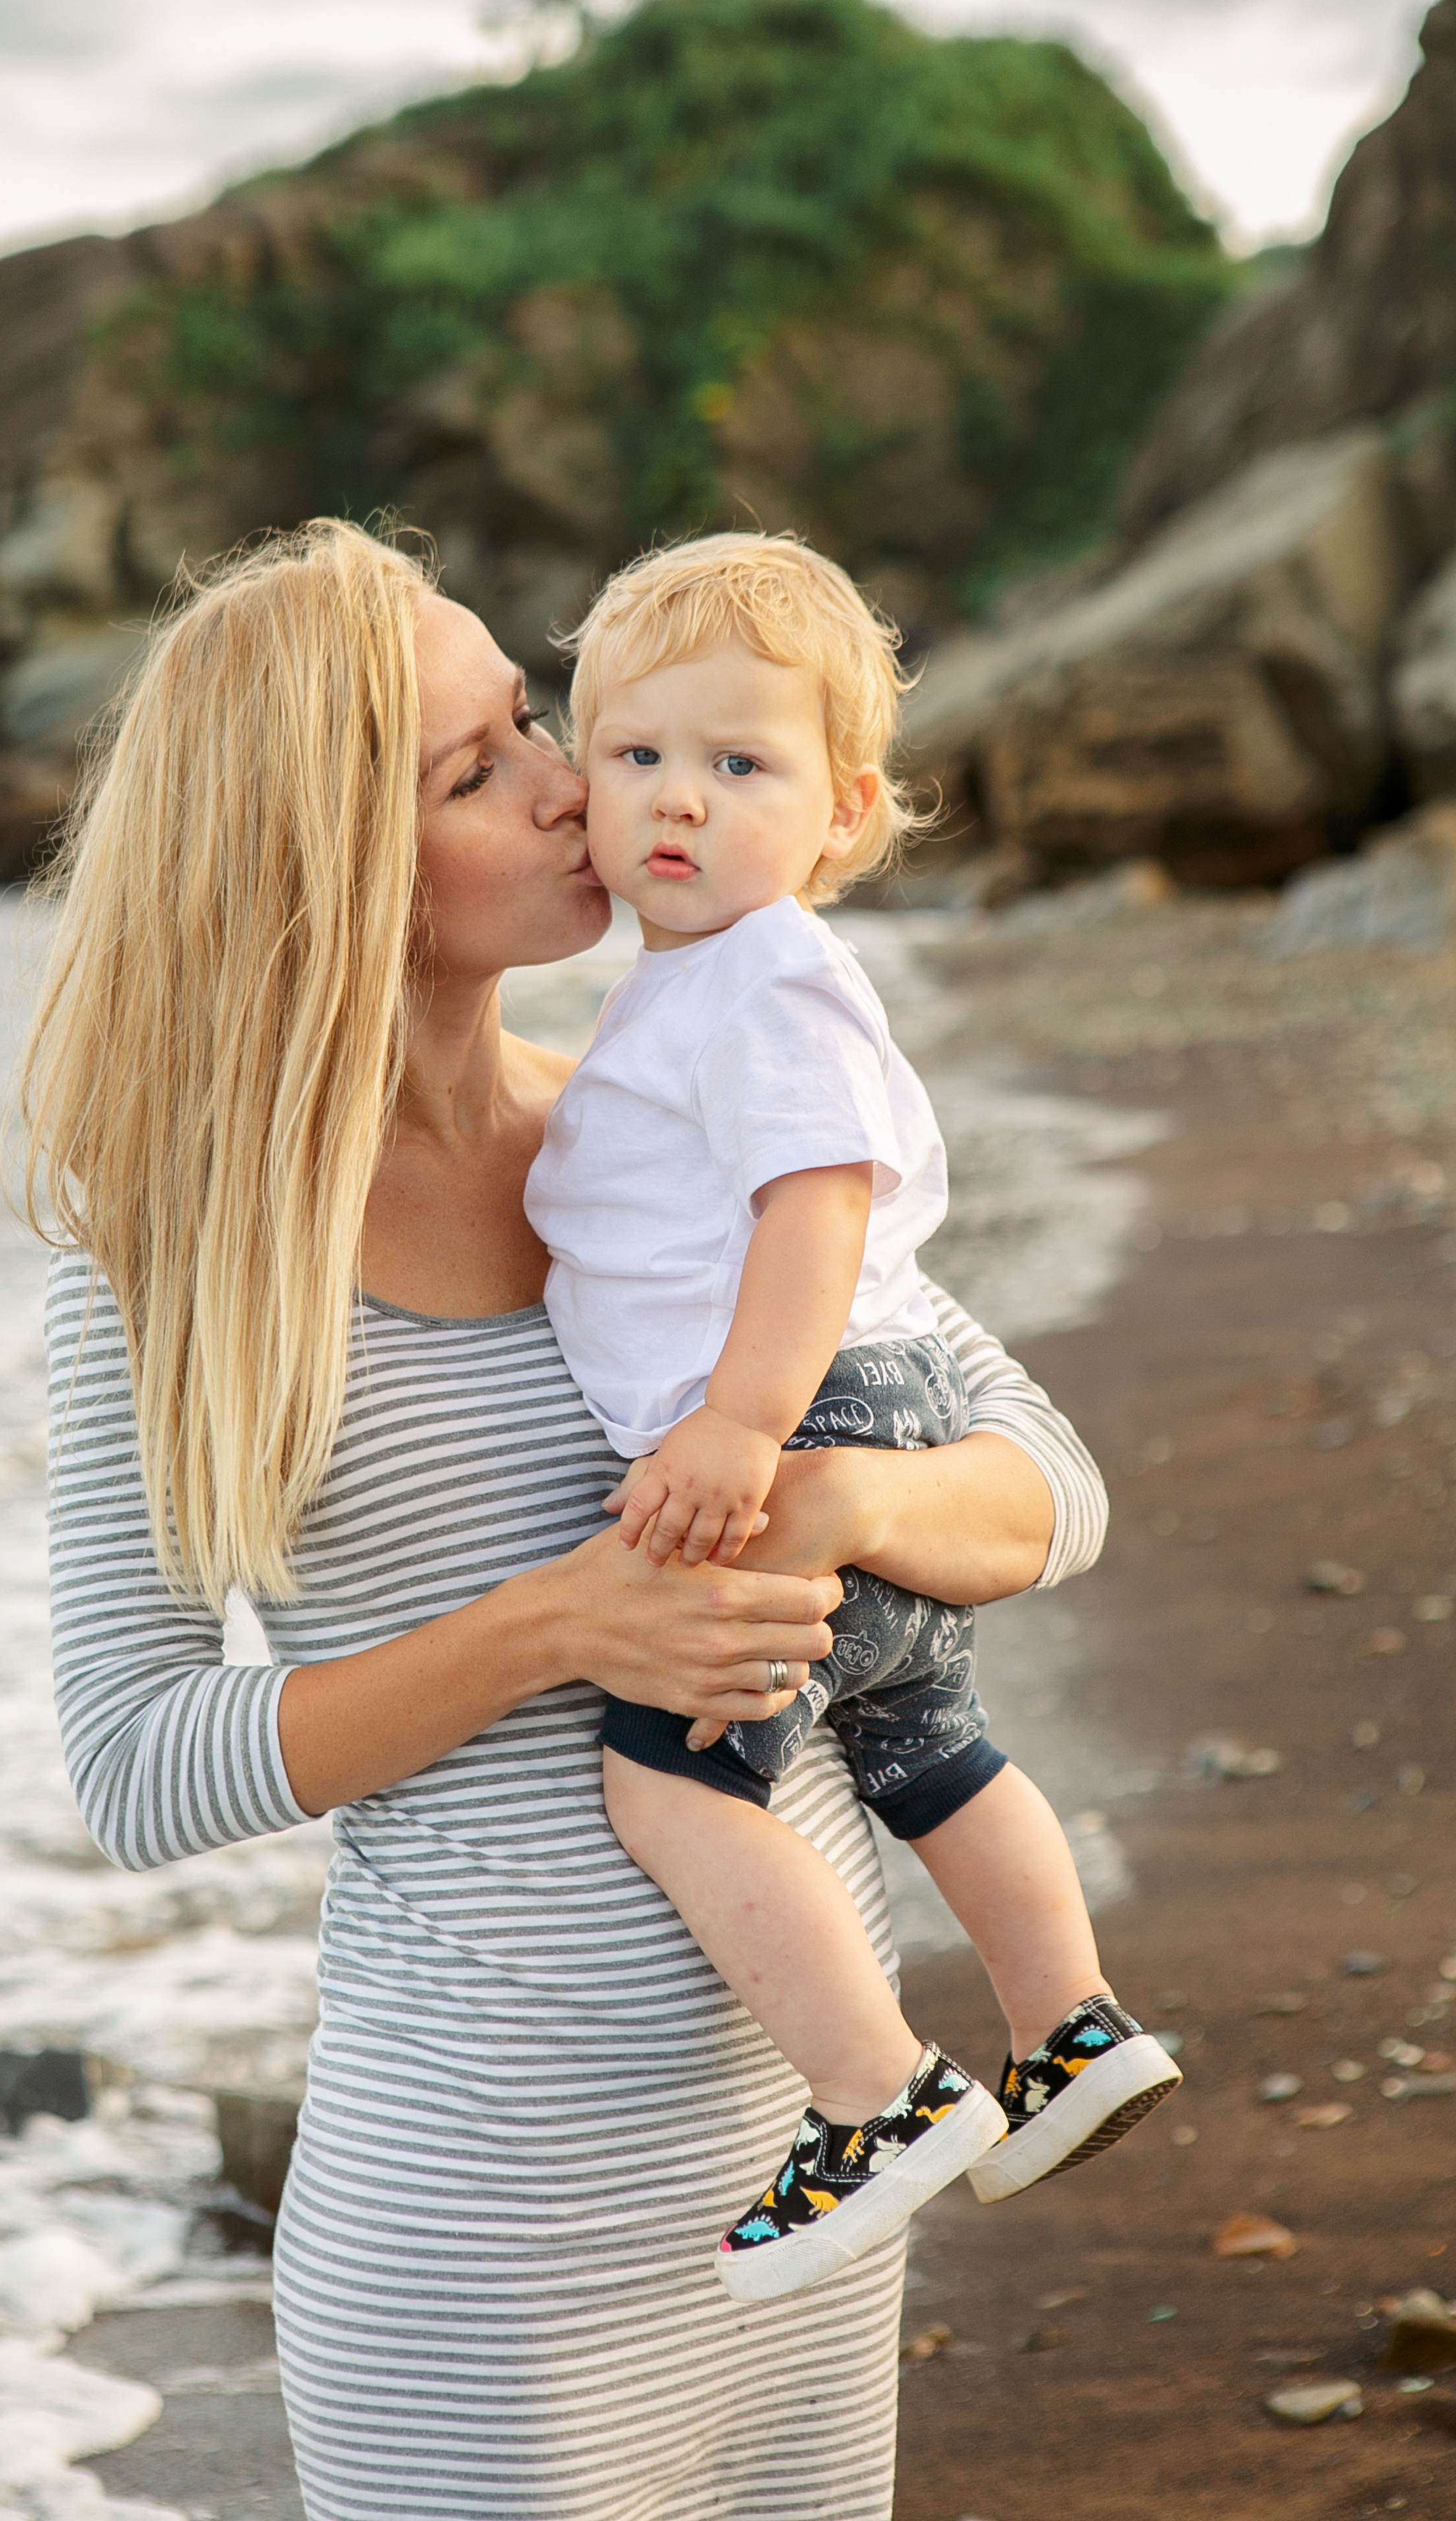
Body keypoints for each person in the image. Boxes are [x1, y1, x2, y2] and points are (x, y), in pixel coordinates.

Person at [18, 518, 1111, 2521]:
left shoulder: (674, 1119)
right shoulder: (174, 1255)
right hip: (482, 2237)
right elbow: (136, 1760)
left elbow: (1054, 1489)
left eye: (533, 718)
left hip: (827, 2165)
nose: (574, 784)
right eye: (476, 770)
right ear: (325, 865)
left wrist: (841, 1494)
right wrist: (562, 1625)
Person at [526, 534, 1179, 2302]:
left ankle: (875, 2094)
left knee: (663, 1780)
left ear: (843, 811)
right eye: (636, 756)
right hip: (850, 1408)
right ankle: (1071, 2028)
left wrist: (745, 1428)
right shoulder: (697, 983)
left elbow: (815, 1207)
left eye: (740, 766)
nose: (677, 803)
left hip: (808, 1411)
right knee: (930, 1743)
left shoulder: (767, 977)